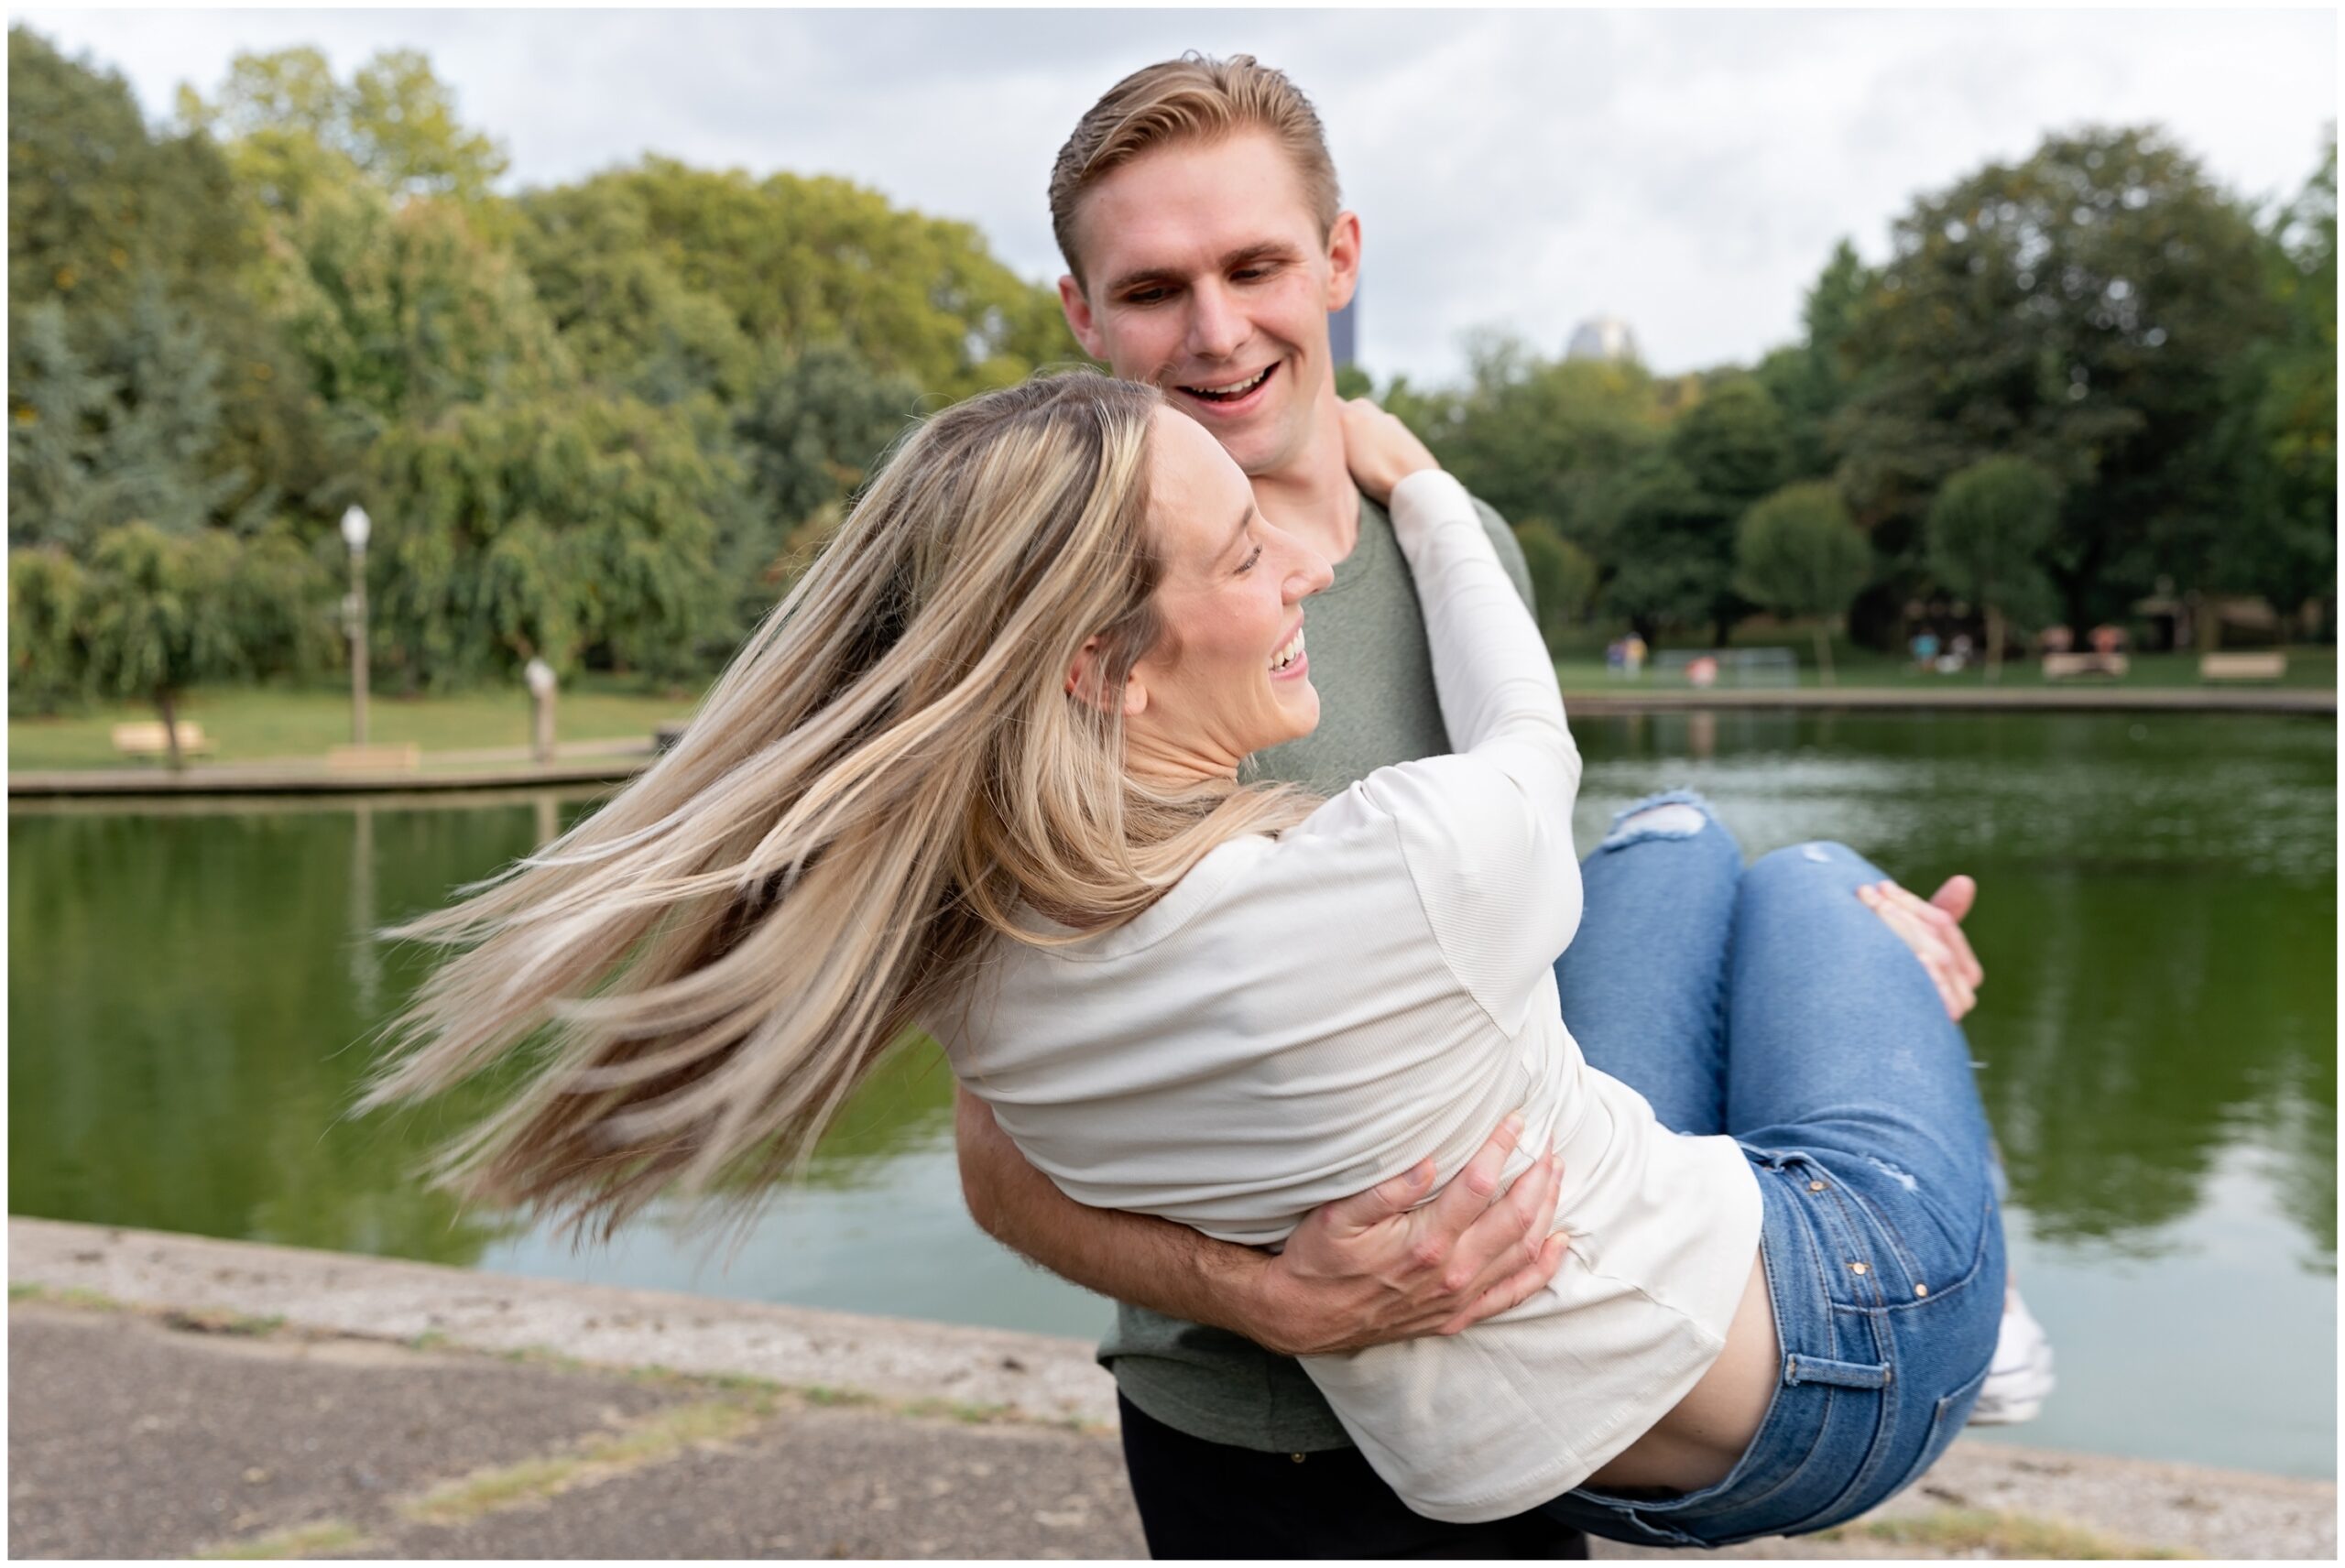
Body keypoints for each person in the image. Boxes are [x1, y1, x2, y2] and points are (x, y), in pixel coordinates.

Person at [361, 368, 2030, 1552]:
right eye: (1246, 555)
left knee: (1669, 847)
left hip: (1558, 1460)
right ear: (1106, 671)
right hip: (1849, 1363)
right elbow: (1530, 712)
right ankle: (1990, 1301)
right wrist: (1418, 483)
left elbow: (1013, 1167)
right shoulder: (1406, 861)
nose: (1307, 559)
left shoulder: (975, 976)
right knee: (1804, 877)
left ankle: (1785, 1095)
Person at [961, 52, 2001, 1557]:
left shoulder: (1446, 542)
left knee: (1714, 855)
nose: (1215, 330)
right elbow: (998, 1160)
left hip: (1562, 1350)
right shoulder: (1061, 629)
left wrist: (1850, 1003)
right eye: (1151, 291)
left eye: (1255, 266)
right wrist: (1274, 1296)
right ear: (1080, 315)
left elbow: (1531, 980)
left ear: (1339, 261)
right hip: (1274, 1435)